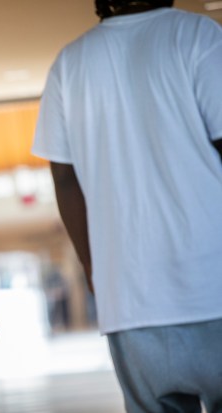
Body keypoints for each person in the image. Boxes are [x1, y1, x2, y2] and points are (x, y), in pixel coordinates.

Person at [32, 1, 222, 412]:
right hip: (212, 281)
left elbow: (64, 179)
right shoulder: (197, 35)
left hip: (129, 295)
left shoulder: (70, 62)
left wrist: (91, 265)